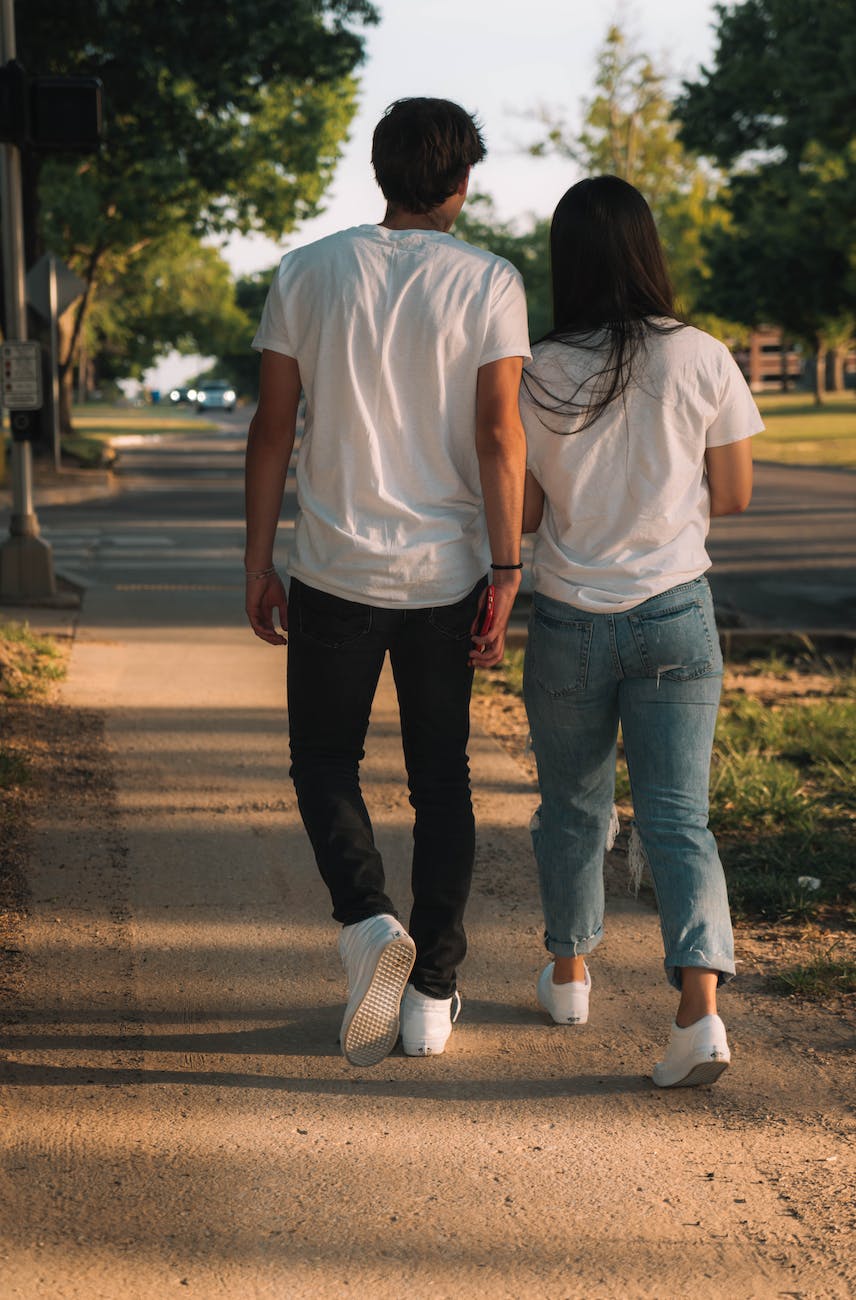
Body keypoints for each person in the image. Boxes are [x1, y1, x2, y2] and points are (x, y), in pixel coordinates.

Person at [244, 98, 530, 1068]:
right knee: (440, 779)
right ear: (459, 185)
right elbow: (499, 435)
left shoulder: (307, 271)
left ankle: (367, 921)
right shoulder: (491, 281)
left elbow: (272, 430)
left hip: (331, 569)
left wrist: (256, 561)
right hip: (446, 576)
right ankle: (433, 996)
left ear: (378, 173)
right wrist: (507, 567)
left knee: (323, 762)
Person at [520, 175, 761, 1088]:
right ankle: (699, 1013)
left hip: (572, 617)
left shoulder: (538, 367)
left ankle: (571, 973)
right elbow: (733, 494)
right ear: (647, 249)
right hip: (675, 613)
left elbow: (532, 511)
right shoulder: (702, 355)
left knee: (574, 808)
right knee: (677, 820)